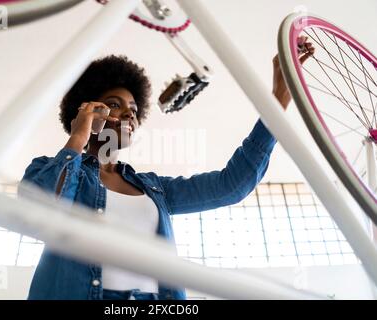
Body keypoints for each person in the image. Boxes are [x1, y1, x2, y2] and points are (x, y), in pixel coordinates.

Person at [20, 37, 314, 300]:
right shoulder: (47, 168)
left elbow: (232, 185)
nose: (128, 114)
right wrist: (79, 134)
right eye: (114, 104)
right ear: (86, 109)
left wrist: (278, 99)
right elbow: (44, 208)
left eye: (134, 110)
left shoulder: (154, 188)